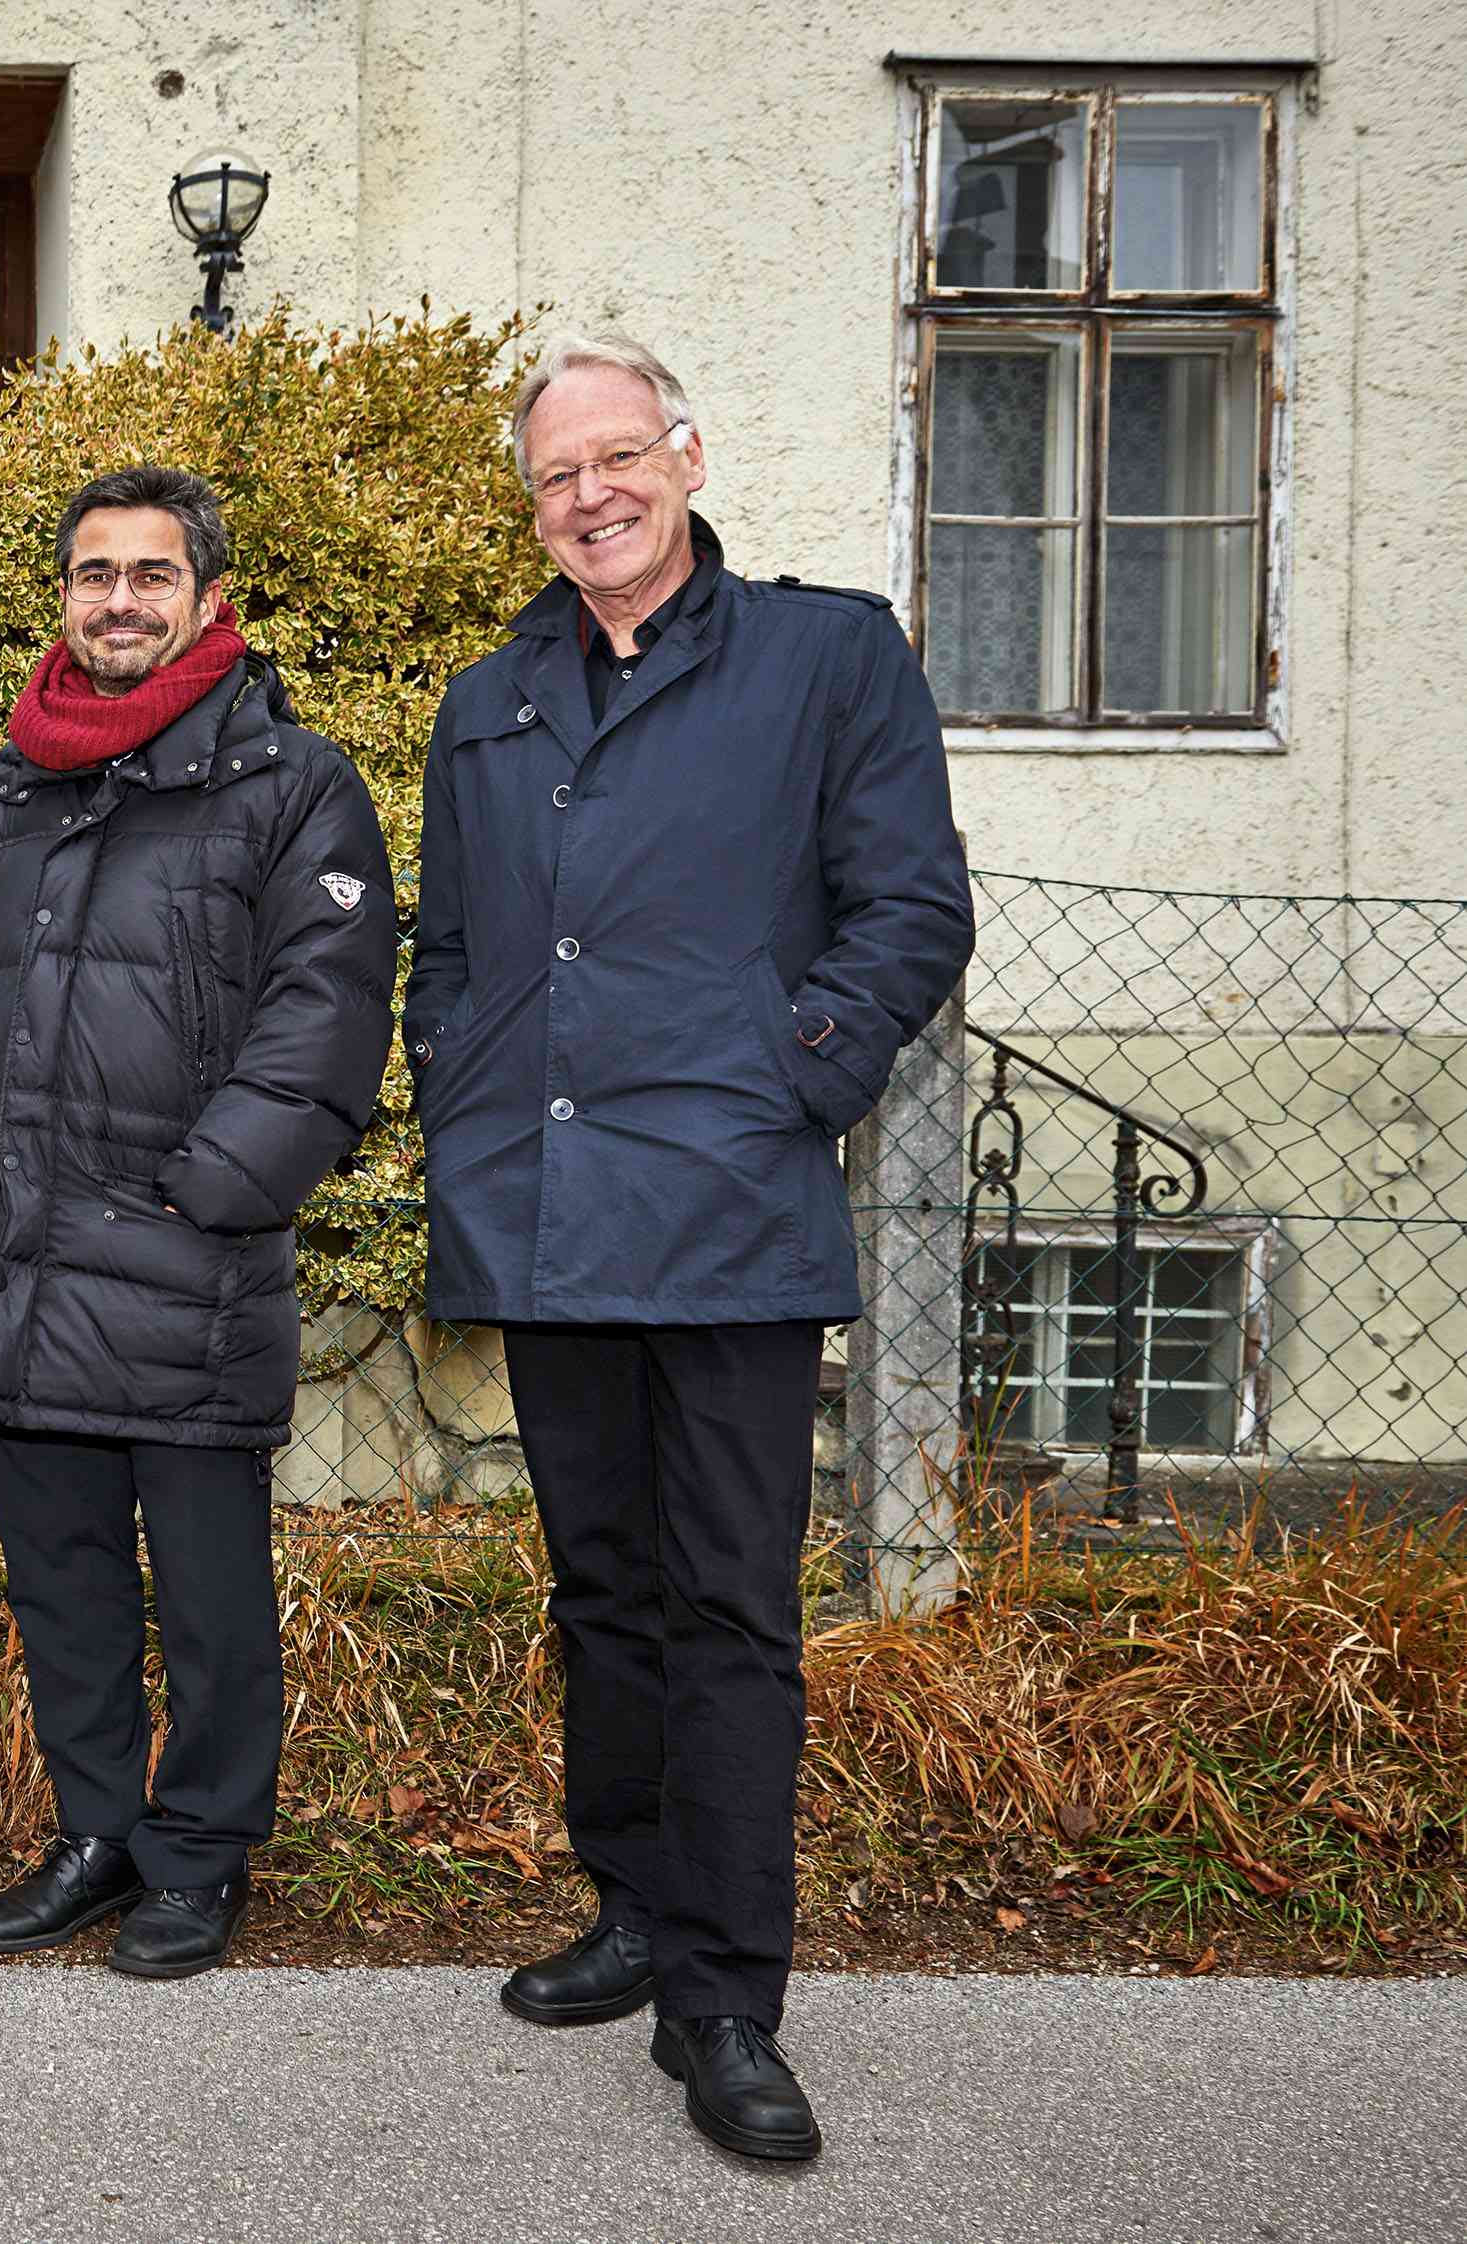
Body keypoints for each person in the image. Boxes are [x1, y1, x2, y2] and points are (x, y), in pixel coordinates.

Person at [407, 334, 973, 2162]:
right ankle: (638, 1908)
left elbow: (912, 908)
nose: (592, 495)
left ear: (689, 458)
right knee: (600, 1589)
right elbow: (453, 949)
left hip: (729, 1207)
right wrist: (458, 1080)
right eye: (558, 474)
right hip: (548, 1206)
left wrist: (787, 1075)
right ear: (534, 504)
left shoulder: (826, 657)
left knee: (730, 1611)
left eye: (620, 457)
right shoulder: (492, 696)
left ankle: (726, 1999)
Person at [0, 466, 399, 1981]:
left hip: (187, 1260)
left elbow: (326, 1008)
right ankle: (98, 1834)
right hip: (20, 1259)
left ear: (206, 597)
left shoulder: (291, 782)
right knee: (62, 1582)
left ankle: (200, 1853)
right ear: (64, 595)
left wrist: (213, 1188)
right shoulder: (6, 792)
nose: (118, 599)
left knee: (208, 1601)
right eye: (94, 573)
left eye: (150, 574)